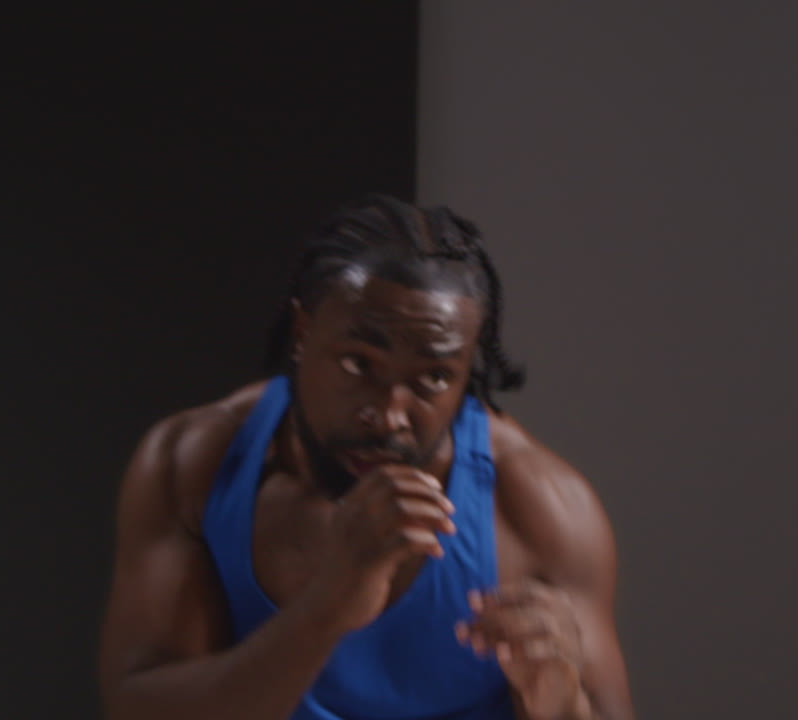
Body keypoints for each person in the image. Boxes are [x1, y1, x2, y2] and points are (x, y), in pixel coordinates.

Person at [98, 195, 635, 720]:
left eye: (432, 378)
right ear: (303, 334)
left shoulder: (542, 509)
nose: (388, 416)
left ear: (465, 372)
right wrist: (326, 609)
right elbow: (136, 709)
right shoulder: (192, 467)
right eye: (358, 364)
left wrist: (562, 707)